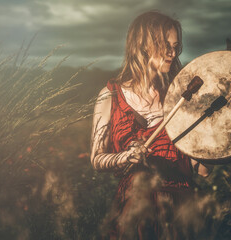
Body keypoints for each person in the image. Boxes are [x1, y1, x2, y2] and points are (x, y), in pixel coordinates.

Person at [90, 11, 212, 239]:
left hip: (179, 209)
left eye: (175, 46)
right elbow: (97, 159)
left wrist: (209, 135)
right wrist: (126, 156)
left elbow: (202, 170)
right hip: (135, 207)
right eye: (165, 45)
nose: (173, 53)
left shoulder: (181, 97)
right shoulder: (109, 96)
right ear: (143, 45)